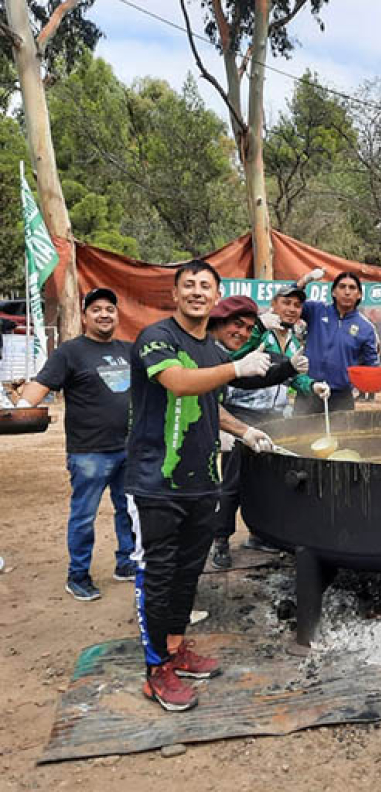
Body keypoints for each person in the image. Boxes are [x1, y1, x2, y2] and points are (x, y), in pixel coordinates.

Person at [126, 259, 296, 712]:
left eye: (206, 285)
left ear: (215, 294)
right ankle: (155, 669)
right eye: (189, 285)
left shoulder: (212, 350)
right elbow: (179, 384)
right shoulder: (157, 338)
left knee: (187, 573)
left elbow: (210, 404)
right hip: (156, 481)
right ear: (176, 292)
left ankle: (176, 648)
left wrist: (245, 432)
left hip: (203, 482)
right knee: (159, 576)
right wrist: (237, 369)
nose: (197, 291)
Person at [17, 288, 135, 601]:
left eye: (110, 308)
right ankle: (78, 575)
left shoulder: (128, 350)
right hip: (89, 452)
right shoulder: (70, 352)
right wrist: (20, 410)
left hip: (129, 448)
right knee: (84, 516)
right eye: (96, 309)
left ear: (116, 315)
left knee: (129, 511)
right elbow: (40, 386)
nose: (104, 314)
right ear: (84, 316)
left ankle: (126, 563)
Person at [209, 290, 327, 569]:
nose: (291, 309)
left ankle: (258, 534)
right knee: (233, 481)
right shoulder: (257, 332)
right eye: (285, 303)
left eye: (297, 305)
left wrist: (311, 385)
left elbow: (289, 375)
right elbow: (234, 357)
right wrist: (259, 327)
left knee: (267, 480)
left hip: (275, 416)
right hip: (241, 413)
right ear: (274, 305)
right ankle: (220, 540)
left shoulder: (294, 340)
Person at [295, 270, 381, 414]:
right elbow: (290, 299)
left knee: (341, 436)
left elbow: (371, 366)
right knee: (300, 435)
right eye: (342, 287)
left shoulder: (366, 328)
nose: (347, 292)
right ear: (333, 292)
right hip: (309, 391)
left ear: (359, 294)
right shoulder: (316, 311)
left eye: (352, 288)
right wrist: (304, 281)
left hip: (341, 397)